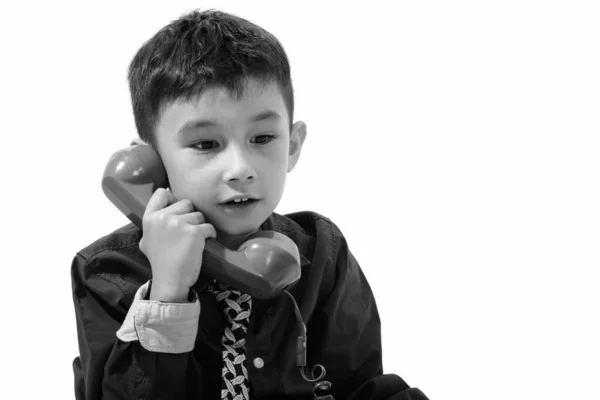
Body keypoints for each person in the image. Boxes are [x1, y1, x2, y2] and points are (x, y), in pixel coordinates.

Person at [71, 8, 429, 400]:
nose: (240, 169)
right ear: (153, 163)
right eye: (206, 144)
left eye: (262, 139)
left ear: (292, 146)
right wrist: (168, 293)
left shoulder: (323, 253)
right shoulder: (108, 273)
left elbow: (361, 388)